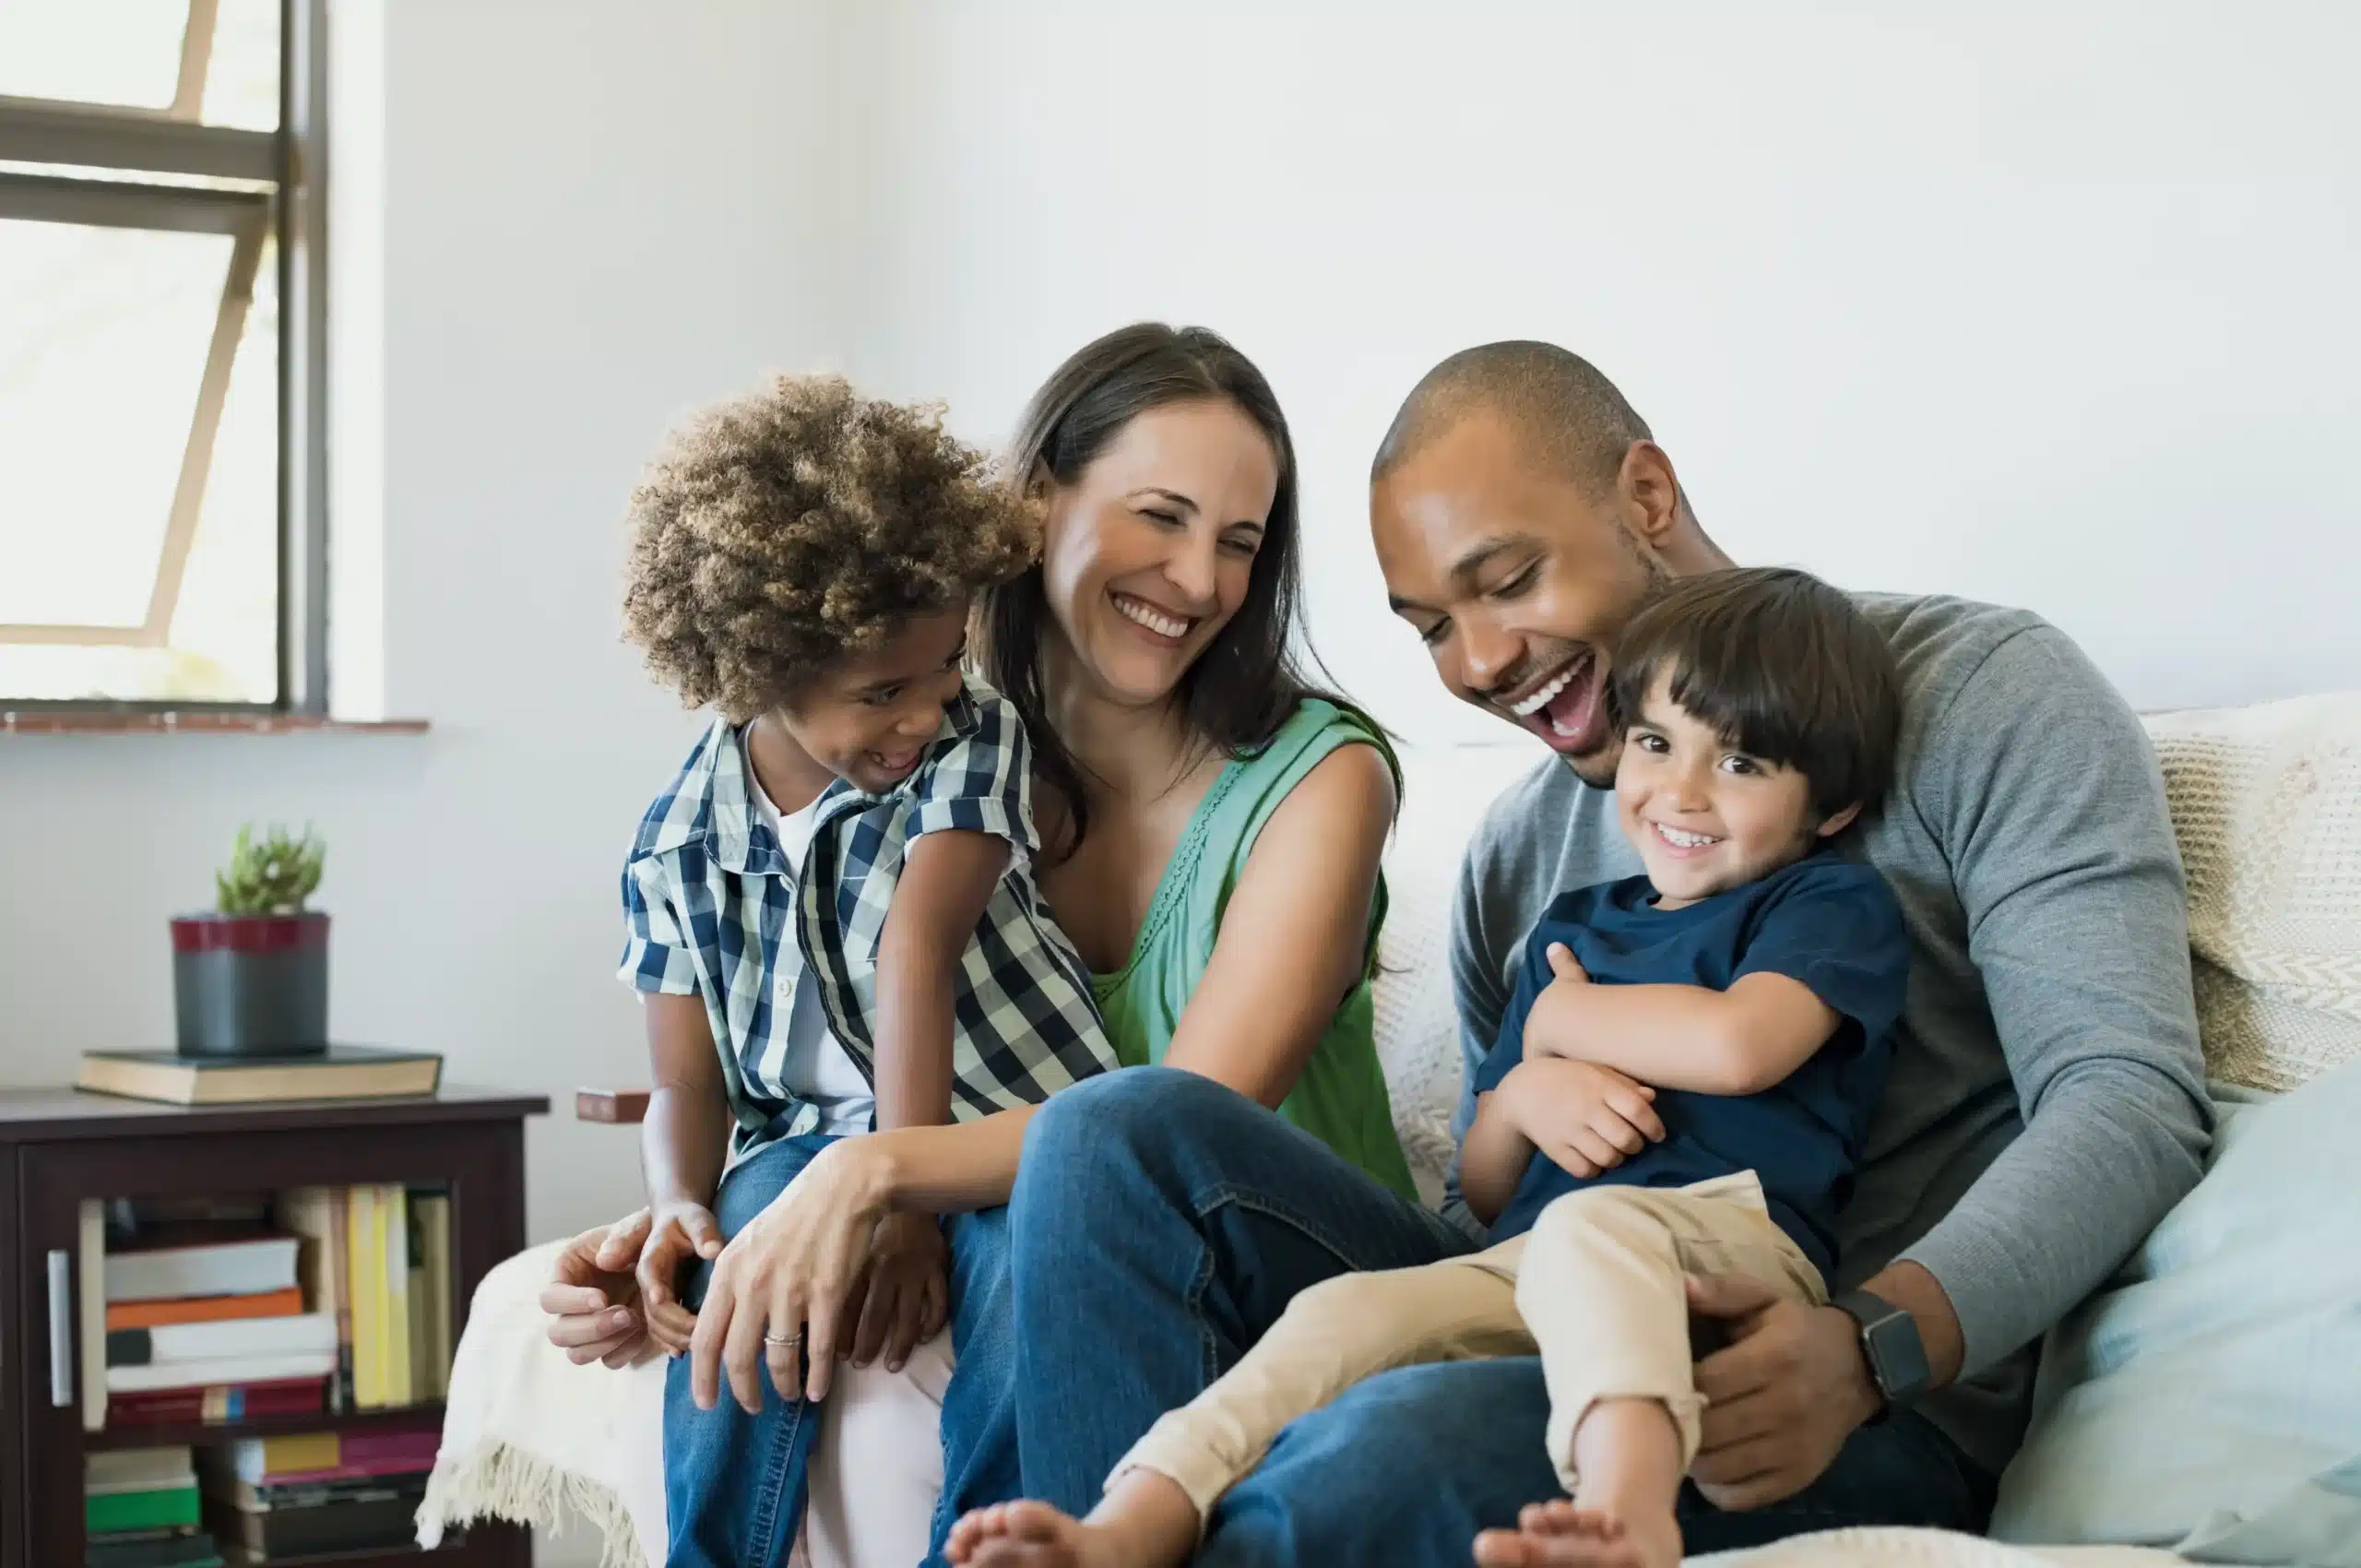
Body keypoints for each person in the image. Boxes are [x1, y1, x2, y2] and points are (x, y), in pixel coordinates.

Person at [995, 340, 2213, 1564]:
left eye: (1509, 580)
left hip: (1828, 1392)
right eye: (1431, 628)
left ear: (1644, 498)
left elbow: (2129, 1099)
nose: (1478, 665)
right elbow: (1495, 1200)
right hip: (1553, 1303)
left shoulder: (1984, 697)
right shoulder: (1520, 854)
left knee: (1377, 1452)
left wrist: (1872, 1346)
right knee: (1109, 1134)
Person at [538, 324, 1429, 1565]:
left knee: (1077, 1170)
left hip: (1283, 1254)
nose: (1199, 580)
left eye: (1239, 542)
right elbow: (799, 1042)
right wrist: (690, 1223)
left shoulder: (1318, 778)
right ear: (1036, 501)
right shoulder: (923, 750)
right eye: (1160, 517)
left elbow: (1182, 1122)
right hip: (1046, 1217)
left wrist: (876, 1173)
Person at [946, 566, 1910, 1568]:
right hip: (1527, 1262)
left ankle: (1629, 1513)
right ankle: (1130, 1521)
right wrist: (1527, 1086)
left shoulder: (1821, 904)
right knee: (1343, 1312)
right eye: (1657, 742)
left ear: (1831, 807)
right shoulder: (1574, 926)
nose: (1680, 791)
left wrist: (1565, 1021)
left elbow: (1740, 1045)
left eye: (1742, 763)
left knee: (1595, 1224)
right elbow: (1487, 1186)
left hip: (1728, 1249)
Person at [608, 373, 1121, 1566]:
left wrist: (900, 1197)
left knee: (1018, 1282)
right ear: (754, 672)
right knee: (746, 1258)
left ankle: (990, 1550)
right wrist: (681, 1202)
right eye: (881, 692)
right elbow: (687, 1083)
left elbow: (917, 954)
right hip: (803, 1144)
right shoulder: (677, 840)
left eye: (944, 666)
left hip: (1005, 1121)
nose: (923, 710)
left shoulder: (969, 736)